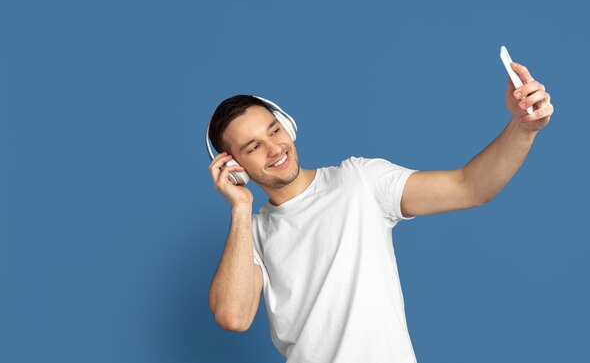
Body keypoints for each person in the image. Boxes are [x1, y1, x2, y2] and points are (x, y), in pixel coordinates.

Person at [206, 62, 554, 363]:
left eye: (274, 131)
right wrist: (240, 206)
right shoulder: (250, 235)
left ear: (287, 125)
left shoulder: (360, 180)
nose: (274, 148)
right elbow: (233, 316)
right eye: (253, 147)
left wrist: (523, 127)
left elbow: (470, 187)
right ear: (233, 166)